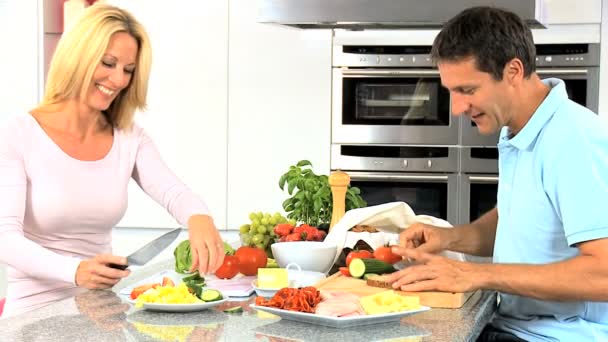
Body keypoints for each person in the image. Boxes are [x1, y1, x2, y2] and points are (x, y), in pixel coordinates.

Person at [384, 6, 608, 342]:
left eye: (468, 90)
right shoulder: (519, 130)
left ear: (513, 71)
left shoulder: (574, 139)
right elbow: (522, 219)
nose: (457, 109)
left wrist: (474, 274)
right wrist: (449, 238)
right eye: (451, 92)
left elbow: (603, 273)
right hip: (515, 327)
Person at [0, 3, 225, 317]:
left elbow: (174, 192)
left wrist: (200, 217)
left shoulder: (129, 137)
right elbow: (5, 238)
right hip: (34, 316)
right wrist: (74, 270)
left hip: (100, 313)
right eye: (108, 63)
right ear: (79, 56)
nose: (118, 79)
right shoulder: (18, 133)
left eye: (128, 69)